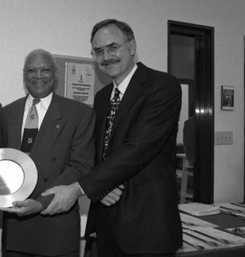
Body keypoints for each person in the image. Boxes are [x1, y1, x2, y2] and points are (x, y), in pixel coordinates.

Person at [42, 19, 183, 257]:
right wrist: (100, 187)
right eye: (98, 51)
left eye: (112, 47)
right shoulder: (102, 96)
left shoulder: (162, 86)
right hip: (107, 220)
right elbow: (100, 150)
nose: (106, 56)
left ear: (131, 46)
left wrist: (80, 188)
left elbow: (139, 148)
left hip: (147, 223)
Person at [0, 49, 95, 257]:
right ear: (24, 75)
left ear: (56, 74)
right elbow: (1, 162)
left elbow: (80, 165)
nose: (39, 76)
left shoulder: (79, 113)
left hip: (56, 227)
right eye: (32, 70)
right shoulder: (7, 113)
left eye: (45, 70)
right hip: (16, 228)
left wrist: (41, 203)